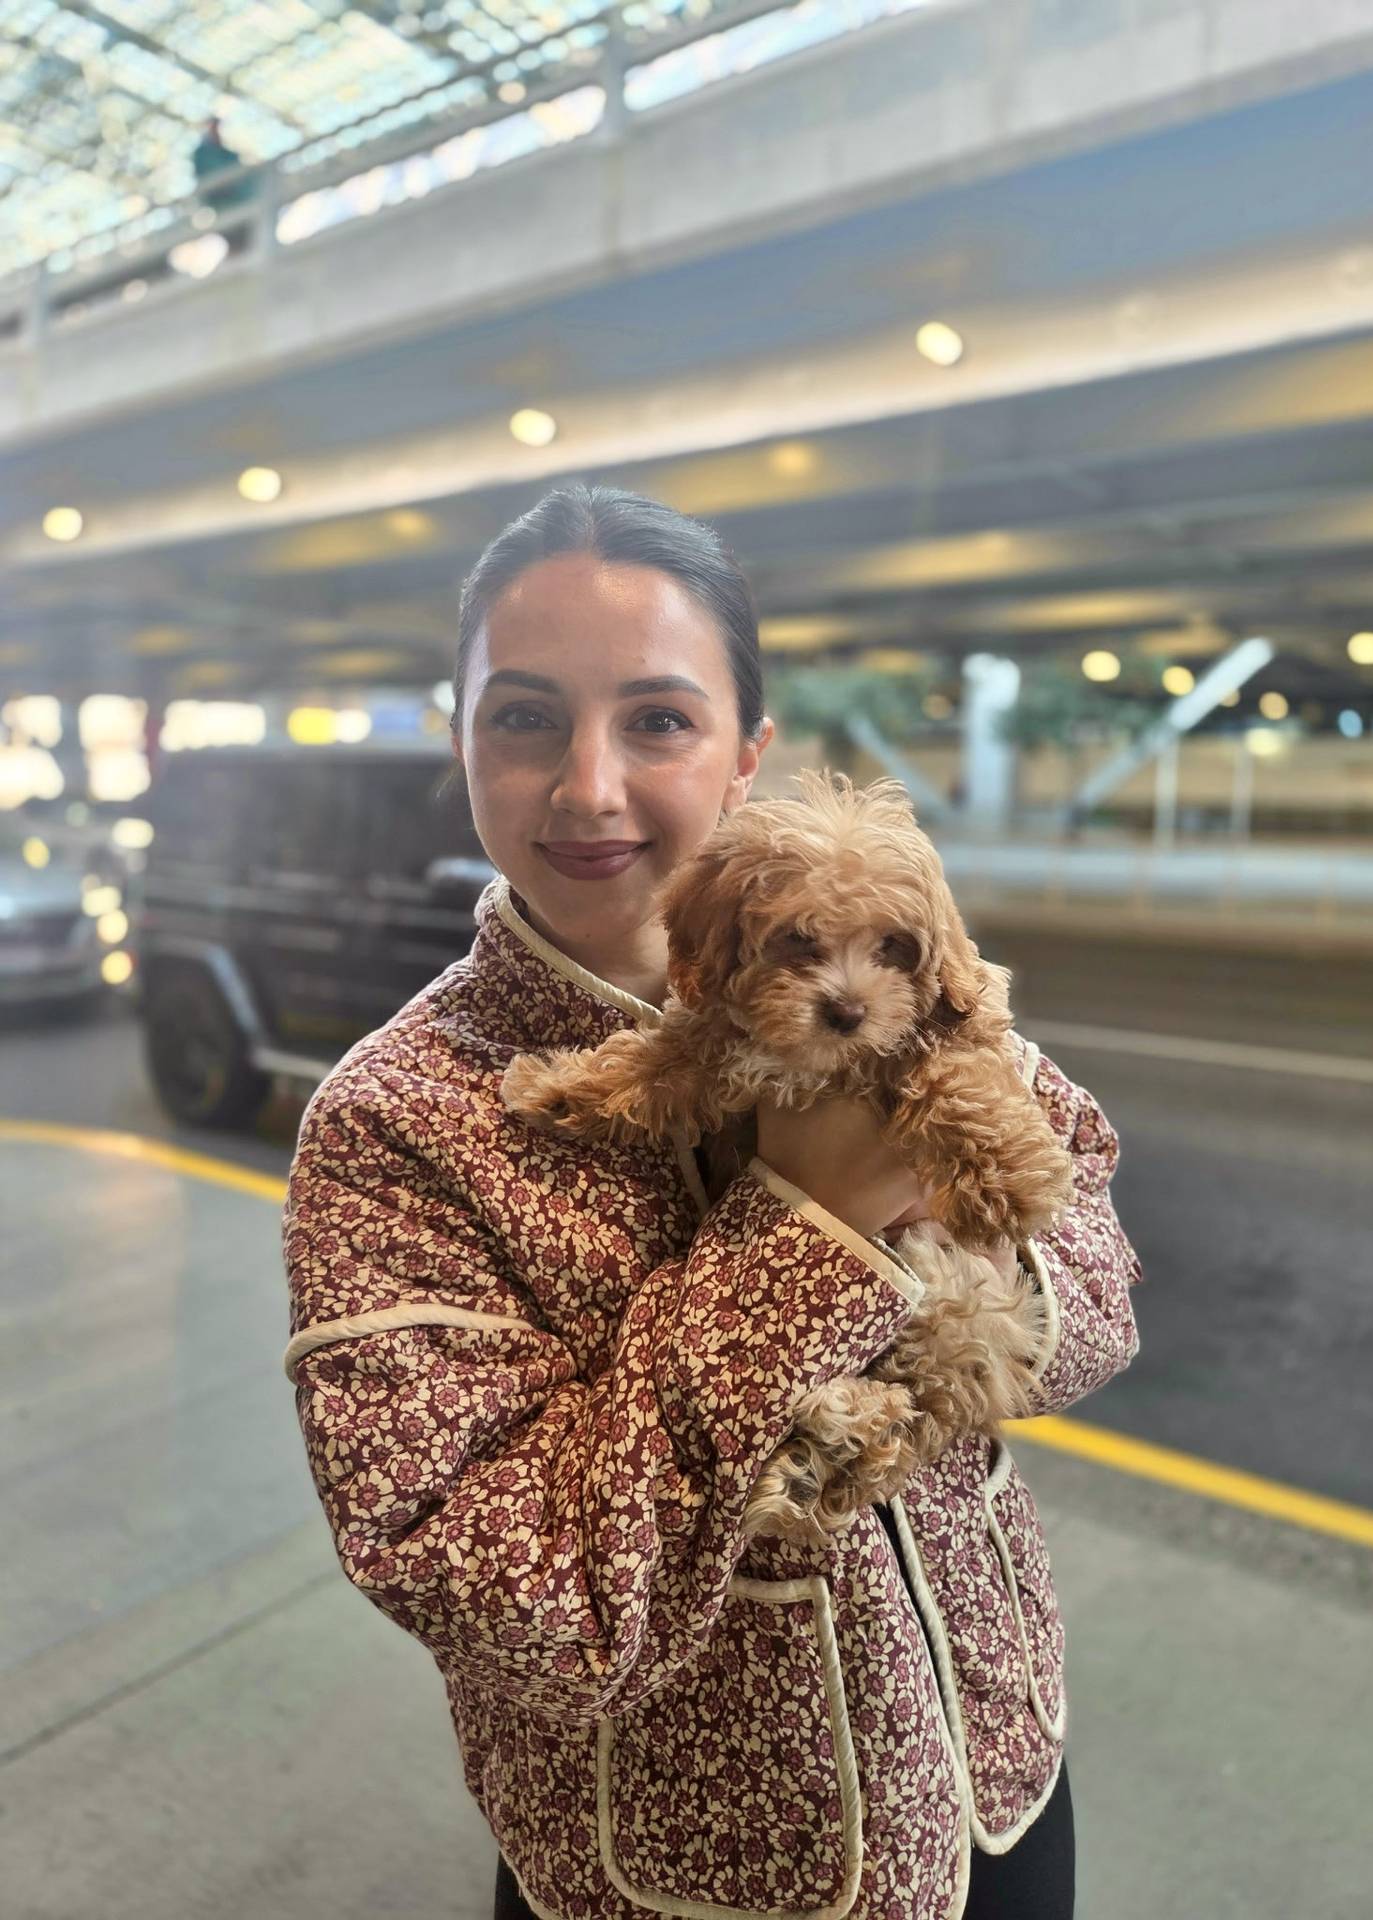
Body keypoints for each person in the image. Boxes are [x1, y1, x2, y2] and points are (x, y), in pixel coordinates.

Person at [281, 482, 1142, 1920]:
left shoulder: (917, 1002)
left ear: (748, 755)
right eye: (527, 717)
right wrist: (813, 1229)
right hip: (687, 1880)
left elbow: (1102, 1293)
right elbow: (516, 1597)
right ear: (462, 741)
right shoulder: (399, 1121)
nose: (590, 788)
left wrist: (966, 1289)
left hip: (999, 1780)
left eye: (659, 721)